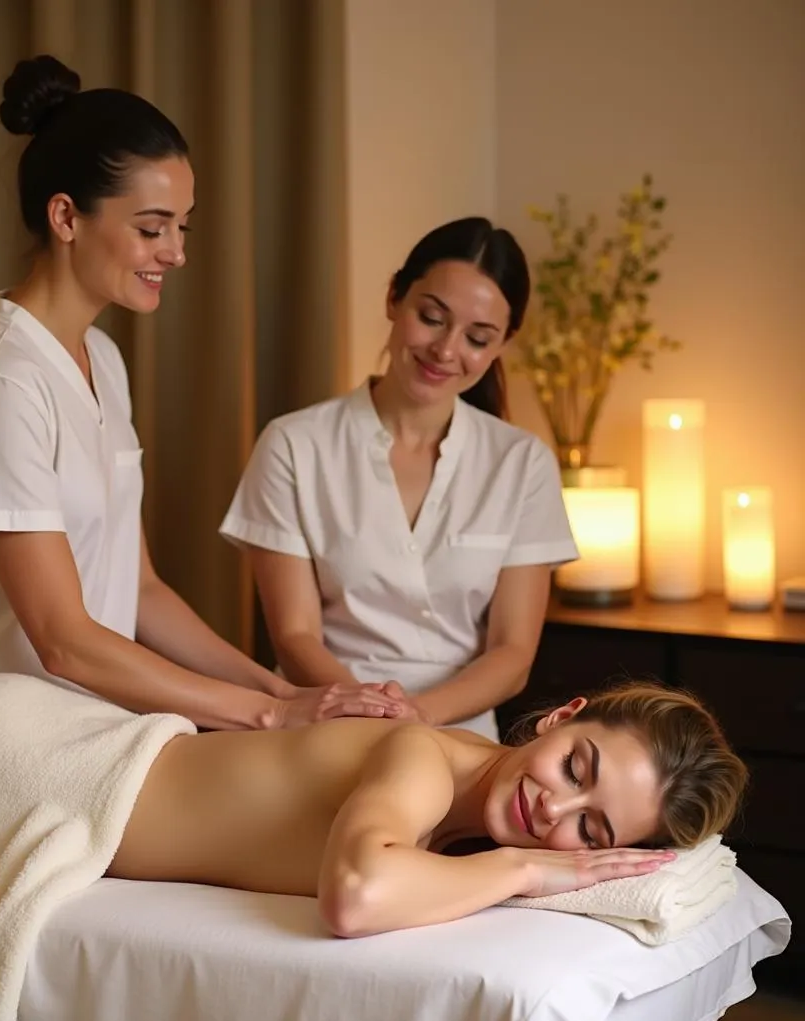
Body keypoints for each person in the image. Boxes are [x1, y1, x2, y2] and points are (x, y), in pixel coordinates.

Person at [0, 55, 404, 731]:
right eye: (151, 227)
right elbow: (63, 638)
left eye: (182, 227)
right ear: (65, 217)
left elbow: (140, 591)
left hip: (77, 716)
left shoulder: (100, 358)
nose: (176, 253)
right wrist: (267, 717)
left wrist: (282, 695)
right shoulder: (0, 381)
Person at [220, 218, 579, 740]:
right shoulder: (295, 445)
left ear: (504, 343)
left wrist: (419, 718)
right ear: (394, 297)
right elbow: (296, 637)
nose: (447, 350)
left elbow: (513, 653)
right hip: (326, 722)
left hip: (458, 735)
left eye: (478, 338)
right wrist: (372, 718)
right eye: (432, 318)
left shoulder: (522, 464)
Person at [110, 682, 748, 937]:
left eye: (590, 826)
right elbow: (355, 898)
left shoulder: (464, 823)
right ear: (560, 717)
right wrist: (524, 870)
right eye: (575, 768)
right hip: (78, 775)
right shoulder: (424, 755)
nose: (555, 806)